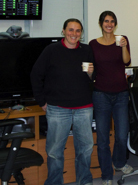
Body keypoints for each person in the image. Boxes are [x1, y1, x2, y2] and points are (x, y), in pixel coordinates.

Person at [31, 18, 95, 185]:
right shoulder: (51, 50)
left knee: (85, 150)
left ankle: (85, 181)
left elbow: (93, 78)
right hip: (58, 107)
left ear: (81, 33)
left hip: (84, 107)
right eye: (71, 30)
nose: (74, 34)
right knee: (54, 152)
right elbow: (36, 75)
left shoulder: (86, 50)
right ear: (63, 31)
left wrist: (90, 73)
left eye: (78, 30)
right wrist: (41, 101)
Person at [89, 11, 132, 185]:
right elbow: (90, 68)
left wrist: (123, 46)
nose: (109, 24)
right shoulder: (93, 44)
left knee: (122, 135)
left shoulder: (122, 39)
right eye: (106, 21)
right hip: (101, 95)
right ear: (101, 23)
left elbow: (127, 62)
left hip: (121, 93)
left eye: (112, 21)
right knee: (103, 138)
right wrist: (89, 72)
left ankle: (119, 163)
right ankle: (107, 174)